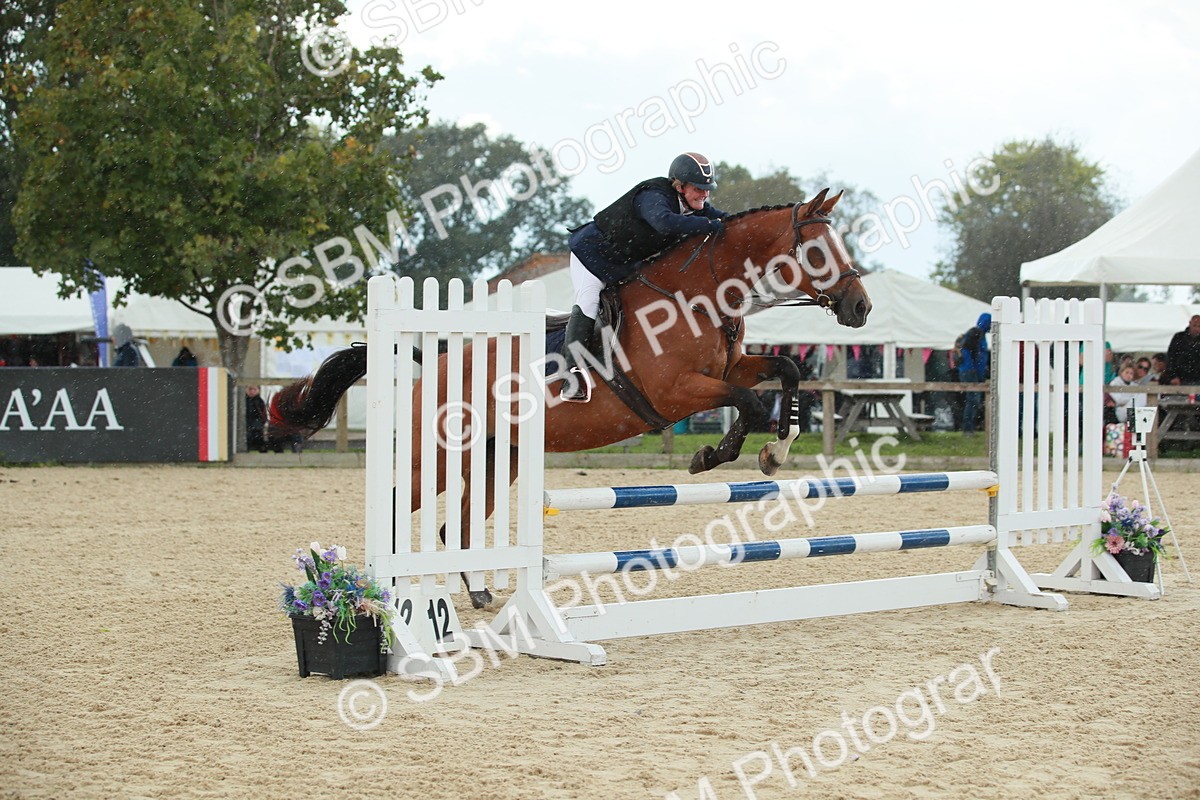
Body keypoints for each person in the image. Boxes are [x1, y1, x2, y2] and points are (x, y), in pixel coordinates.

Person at [561, 152, 729, 402]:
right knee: (588, 300)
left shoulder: (693, 205)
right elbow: (664, 223)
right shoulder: (654, 196)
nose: (704, 195)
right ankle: (571, 376)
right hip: (592, 255)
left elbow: (723, 219)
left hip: (624, 264)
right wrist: (709, 227)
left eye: (707, 189)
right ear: (680, 186)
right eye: (698, 189)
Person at [958, 313, 991, 435]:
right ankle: (967, 429)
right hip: (971, 372)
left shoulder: (977, 334)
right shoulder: (976, 334)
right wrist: (976, 372)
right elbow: (973, 356)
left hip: (970, 371)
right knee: (972, 400)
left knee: (973, 400)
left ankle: (969, 428)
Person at [1162, 314, 1200, 386]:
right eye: (1195, 325)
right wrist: (1173, 376)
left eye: (1199, 326)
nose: (1197, 329)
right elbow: (1171, 357)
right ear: (1190, 323)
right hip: (1180, 378)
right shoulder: (1179, 337)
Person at [245, 385, 269, 452]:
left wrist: (258, 425)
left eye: (254, 389)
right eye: (250, 389)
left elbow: (263, 416)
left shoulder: (260, 401)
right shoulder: (242, 401)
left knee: (259, 436)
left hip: (257, 426)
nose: (252, 391)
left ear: (258, 390)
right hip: (246, 425)